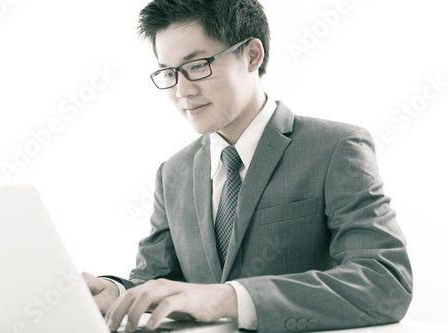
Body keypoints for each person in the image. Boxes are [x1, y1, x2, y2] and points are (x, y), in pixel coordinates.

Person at [82, 0, 413, 332]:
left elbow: (385, 282)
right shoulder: (174, 173)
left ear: (252, 55)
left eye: (197, 65)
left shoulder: (335, 148)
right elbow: (156, 280)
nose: (182, 90)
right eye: (169, 73)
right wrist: (118, 292)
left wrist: (228, 299)